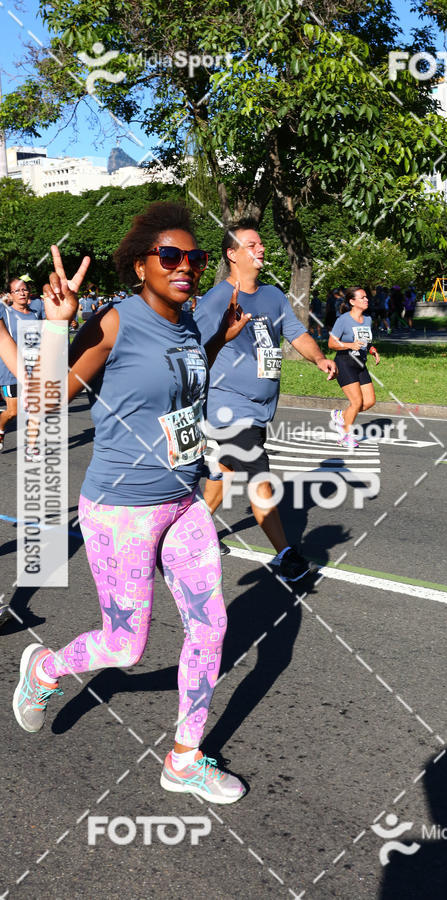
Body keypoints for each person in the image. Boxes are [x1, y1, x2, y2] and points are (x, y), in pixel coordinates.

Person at [13, 202, 252, 804]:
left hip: (183, 501)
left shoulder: (193, 325)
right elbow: (42, 400)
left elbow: (183, 390)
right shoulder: (115, 321)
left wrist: (220, 345)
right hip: (122, 509)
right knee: (126, 645)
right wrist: (61, 326)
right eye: (169, 256)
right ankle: (46, 669)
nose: (185, 266)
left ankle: (185, 758)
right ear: (140, 266)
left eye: (193, 258)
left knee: (211, 625)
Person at [195, 219, 337, 580]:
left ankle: (190, 532)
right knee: (259, 470)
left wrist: (319, 358)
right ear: (232, 254)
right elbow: (193, 350)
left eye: (260, 244)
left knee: (224, 471)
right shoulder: (215, 301)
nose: (260, 249)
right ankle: (286, 554)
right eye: (252, 245)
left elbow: (295, 332)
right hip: (226, 406)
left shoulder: (273, 296)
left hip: (260, 409)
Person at [328, 287, 380, 448]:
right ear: (352, 302)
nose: (366, 300)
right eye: (362, 297)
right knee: (356, 402)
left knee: (370, 401)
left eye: (366, 297)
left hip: (360, 364)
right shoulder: (343, 320)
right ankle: (345, 436)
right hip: (345, 363)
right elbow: (331, 343)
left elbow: (366, 341)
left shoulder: (368, 320)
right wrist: (350, 345)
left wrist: (372, 350)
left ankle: (342, 415)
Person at [0, 278, 42, 455]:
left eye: (24, 289)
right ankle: (1, 430)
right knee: (13, 412)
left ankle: (31, 447)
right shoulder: (6, 313)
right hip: (10, 371)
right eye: (17, 290)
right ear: (10, 295)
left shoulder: (35, 313)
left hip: (33, 370)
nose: (22, 293)